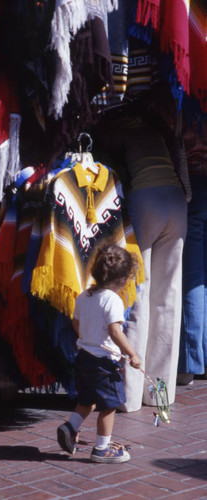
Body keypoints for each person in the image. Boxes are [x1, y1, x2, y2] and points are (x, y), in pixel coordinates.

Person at [92, 87, 188, 412]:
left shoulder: (112, 130)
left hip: (145, 201)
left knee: (137, 292)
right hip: (176, 202)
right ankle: (161, 393)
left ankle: (130, 396)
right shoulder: (157, 129)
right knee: (169, 298)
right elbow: (182, 171)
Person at [57, 244, 141, 463]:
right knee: (109, 405)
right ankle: (102, 449)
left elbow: (76, 322)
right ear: (124, 278)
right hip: (104, 363)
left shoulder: (85, 296)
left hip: (84, 357)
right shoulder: (113, 300)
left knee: (86, 400)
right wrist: (132, 354)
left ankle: (70, 426)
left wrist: (88, 337)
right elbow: (115, 331)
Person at [178, 119, 207, 384]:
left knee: (193, 274)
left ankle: (190, 361)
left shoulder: (188, 92)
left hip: (195, 179)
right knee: (200, 278)